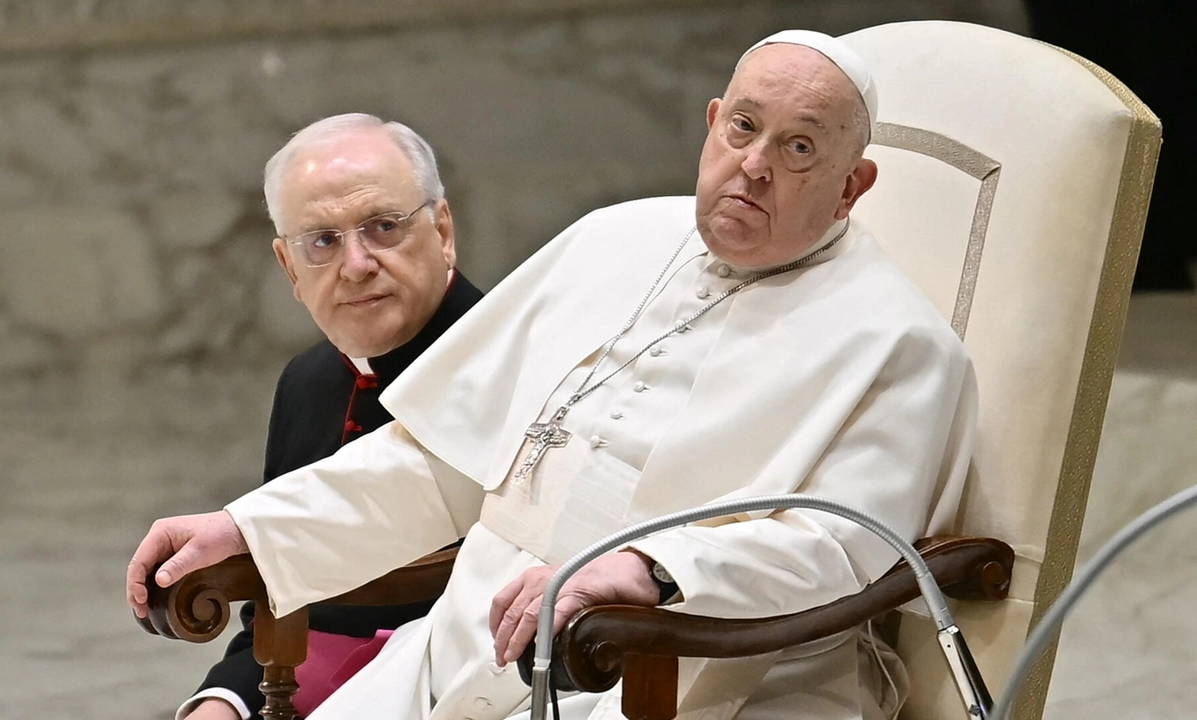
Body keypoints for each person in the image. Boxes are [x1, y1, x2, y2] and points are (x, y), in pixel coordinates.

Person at [130, 30, 977, 720]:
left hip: (700, 677)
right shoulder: (611, 239)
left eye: (799, 148)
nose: (754, 165)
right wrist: (251, 527)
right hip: (462, 643)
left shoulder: (898, 344)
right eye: (743, 128)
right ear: (713, 122)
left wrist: (650, 569)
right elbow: (443, 461)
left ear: (851, 186)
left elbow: (844, 545)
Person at [178, 114, 484, 720]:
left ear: (443, 230)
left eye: (383, 227)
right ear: (289, 269)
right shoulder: (308, 382)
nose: (356, 264)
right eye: (322, 241)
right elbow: (282, 612)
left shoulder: (515, 360)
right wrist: (225, 703)